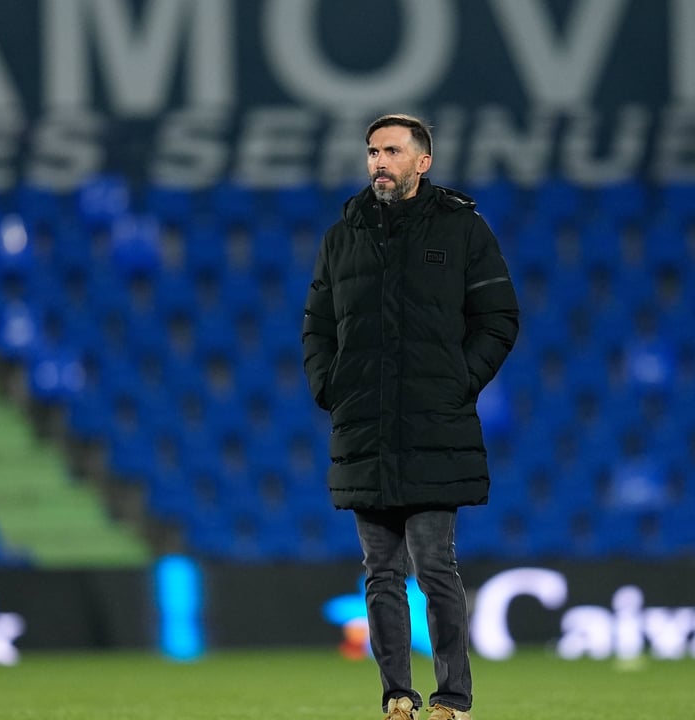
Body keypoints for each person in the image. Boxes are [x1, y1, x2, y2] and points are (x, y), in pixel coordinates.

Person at [302, 114, 519, 720]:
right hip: (365, 428)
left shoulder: (463, 229)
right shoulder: (342, 235)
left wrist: (457, 382)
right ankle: (397, 695)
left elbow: (499, 318)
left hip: (433, 426)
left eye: (392, 151)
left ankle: (452, 698)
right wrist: (330, 387)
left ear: (422, 163)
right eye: (373, 151)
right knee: (380, 572)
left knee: (435, 566)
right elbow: (318, 326)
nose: (379, 161)